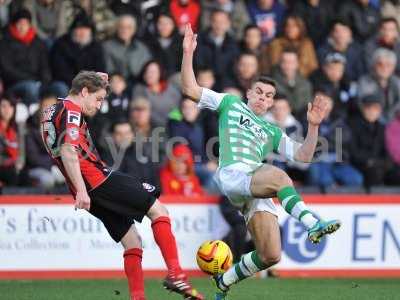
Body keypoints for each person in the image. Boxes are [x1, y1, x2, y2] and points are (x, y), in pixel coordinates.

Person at [181, 24, 340, 300]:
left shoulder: (272, 131)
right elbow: (190, 88)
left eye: (268, 96)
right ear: (249, 93)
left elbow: (303, 156)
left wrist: (312, 127)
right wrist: (187, 53)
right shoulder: (230, 103)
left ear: (270, 103)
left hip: (253, 186)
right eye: (259, 92)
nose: (263, 98)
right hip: (235, 174)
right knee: (280, 177)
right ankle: (311, 223)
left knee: (270, 254)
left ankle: (224, 280)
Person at [40, 71, 203, 300]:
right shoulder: (72, 113)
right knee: (159, 210)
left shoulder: (52, 109)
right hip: (97, 180)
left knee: (132, 240)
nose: (98, 106)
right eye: (97, 99)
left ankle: (138, 298)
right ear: (84, 91)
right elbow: (68, 150)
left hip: (86, 187)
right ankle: (176, 274)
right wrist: (83, 189)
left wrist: (91, 76)